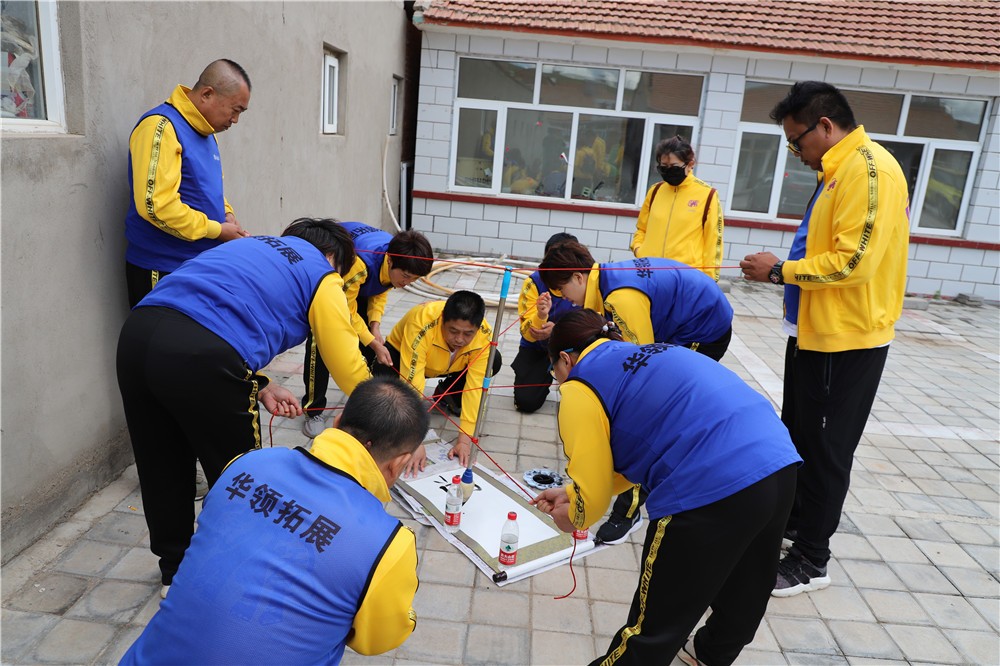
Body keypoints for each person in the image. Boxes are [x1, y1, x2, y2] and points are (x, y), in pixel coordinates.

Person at [531, 310, 800, 666]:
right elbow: (635, 453)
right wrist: (572, 493)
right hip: (777, 460)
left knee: (652, 627)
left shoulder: (580, 386)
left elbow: (590, 503)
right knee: (747, 585)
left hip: (710, 482)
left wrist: (574, 516)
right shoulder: (650, 351)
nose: (558, 382)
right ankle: (709, 655)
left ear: (565, 359)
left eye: (555, 373)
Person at [116, 218, 371, 594]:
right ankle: (243, 576)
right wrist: (389, 409)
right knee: (242, 478)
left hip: (137, 336)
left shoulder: (249, 247)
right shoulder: (322, 274)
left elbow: (210, 313)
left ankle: (175, 572)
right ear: (334, 258)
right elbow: (346, 362)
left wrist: (262, 385)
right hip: (203, 355)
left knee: (162, 465)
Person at [120, 376, 428, 665]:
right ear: (400, 463)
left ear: (336, 424)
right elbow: (375, 641)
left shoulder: (247, 463)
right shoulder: (387, 543)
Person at [739, 81, 909, 598]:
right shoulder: (837, 170)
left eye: (797, 141)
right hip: (815, 332)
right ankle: (794, 525)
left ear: (826, 126)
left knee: (828, 450)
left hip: (848, 339)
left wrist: (779, 272)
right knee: (799, 436)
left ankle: (812, 559)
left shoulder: (870, 171)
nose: (796, 152)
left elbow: (853, 263)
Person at [538, 240, 735, 545]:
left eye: (564, 292)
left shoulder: (620, 298)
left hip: (704, 327)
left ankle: (627, 512)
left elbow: (638, 371)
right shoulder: (607, 279)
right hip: (687, 320)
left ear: (578, 277)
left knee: (646, 416)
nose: (569, 301)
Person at [124, 59, 252, 307]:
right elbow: (157, 206)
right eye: (235, 110)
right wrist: (217, 230)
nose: (235, 120)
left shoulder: (206, 134)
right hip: (163, 269)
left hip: (197, 265)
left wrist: (227, 214)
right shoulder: (161, 127)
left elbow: (206, 188)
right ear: (207, 94)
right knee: (164, 334)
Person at [302, 223, 434, 438]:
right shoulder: (360, 264)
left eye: (414, 279)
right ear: (389, 260)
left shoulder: (396, 257)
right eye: (406, 276)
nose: (408, 283)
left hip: (354, 284)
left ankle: (362, 401)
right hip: (330, 280)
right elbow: (346, 309)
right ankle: (313, 411)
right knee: (321, 341)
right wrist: (372, 341)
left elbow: (381, 287)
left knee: (367, 342)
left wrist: (375, 326)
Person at [372, 291, 502, 475]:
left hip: (450, 366)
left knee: (493, 360)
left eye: (468, 334)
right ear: (442, 319)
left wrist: (465, 440)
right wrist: (414, 440)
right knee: (385, 388)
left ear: (478, 327)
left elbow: (475, 388)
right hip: (403, 361)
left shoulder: (484, 335)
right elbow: (412, 383)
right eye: (453, 331)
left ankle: (448, 393)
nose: (459, 339)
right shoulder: (421, 322)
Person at [631, 135, 724, 281]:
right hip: (649, 273)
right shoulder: (655, 191)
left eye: (674, 167)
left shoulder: (708, 195)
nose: (668, 171)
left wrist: (709, 281)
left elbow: (713, 242)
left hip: (686, 278)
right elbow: (641, 229)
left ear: (690, 163)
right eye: (663, 167)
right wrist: (639, 250)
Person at [512, 232, 580, 413]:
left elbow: (594, 325)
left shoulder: (586, 283)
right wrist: (541, 316)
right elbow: (527, 333)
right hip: (538, 348)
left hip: (572, 349)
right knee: (526, 402)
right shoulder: (534, 282)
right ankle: (545, 374)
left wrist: (557, 332)